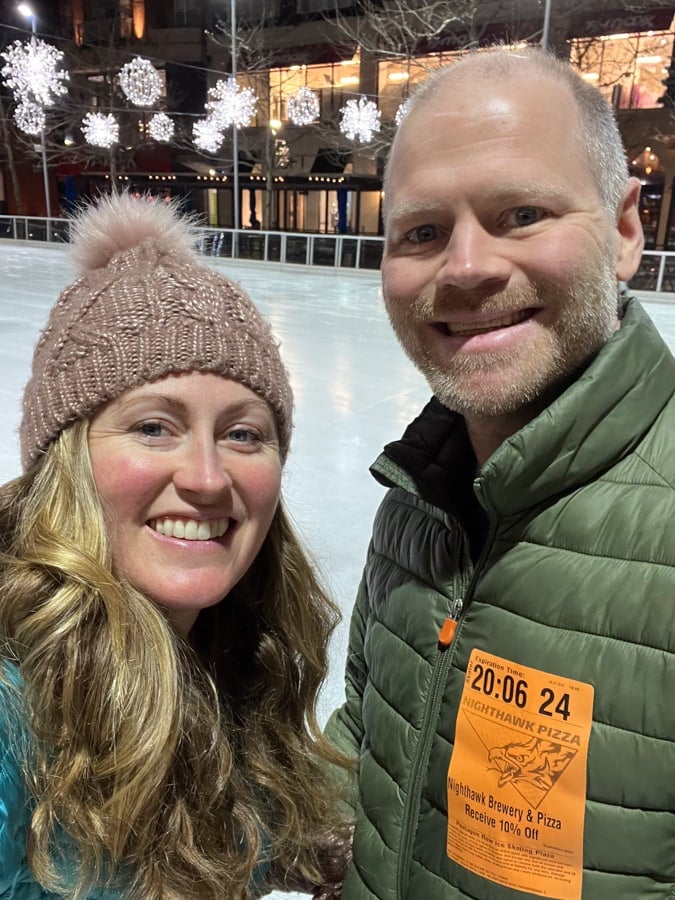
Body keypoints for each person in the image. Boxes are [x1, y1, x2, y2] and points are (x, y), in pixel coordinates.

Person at [325, 46, 675, 899]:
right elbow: (369, 735)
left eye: (521, 213)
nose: (467, 266)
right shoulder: (418, 499)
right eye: (421, 231)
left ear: (625, 229)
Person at [0, 193, 350, 899]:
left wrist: (284, 844)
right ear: (65, 458)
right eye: (153, 427)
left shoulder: (241, 653)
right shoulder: (14, 716)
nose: (206, 478)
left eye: (243, 433)